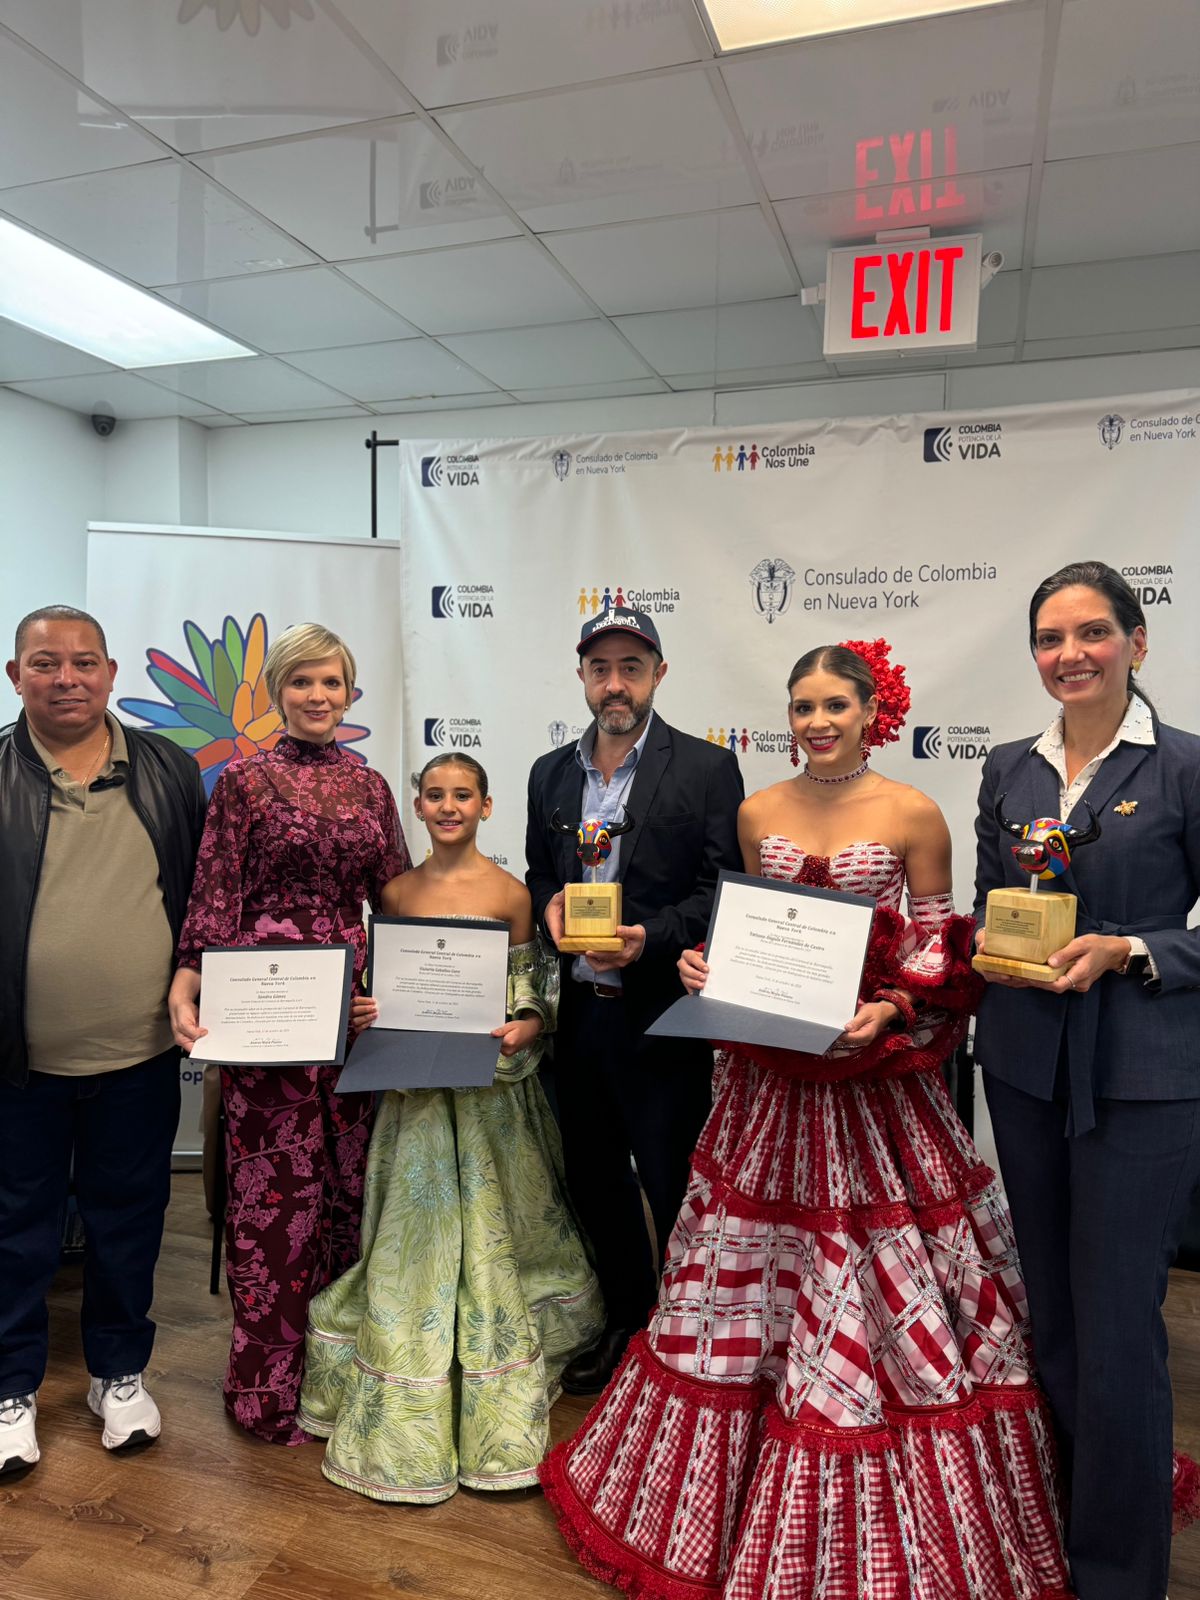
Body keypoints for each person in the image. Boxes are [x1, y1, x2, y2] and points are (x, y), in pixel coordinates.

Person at [542, 640, 1073, 1598]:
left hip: (873, 1078)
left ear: (874, 710)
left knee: (885, 1256)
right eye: (801, 707)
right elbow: (752, 927)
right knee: (747, 1258)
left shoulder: (914, 812)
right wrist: (705, 963)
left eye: (835, 705)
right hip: (770, 1078)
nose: (817, 723)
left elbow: (932, 945)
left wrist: (895, 1008)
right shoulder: (756, 811)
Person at [974, 561, 1200, 1600]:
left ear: (1137, 644)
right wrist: (979, 948)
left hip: (1140, 1076)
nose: (1071, 653)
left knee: (1117, 1324)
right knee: (1053, 1316)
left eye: (1093, 632)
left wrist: (1134, 949)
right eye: (1050, 637)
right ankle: (1058, 1521)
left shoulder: (1187, 768)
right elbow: (991, 903)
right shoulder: (1010, 770)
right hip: (1023, 1068)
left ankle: (1116, 1574)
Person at [298, 754, 603, 1501]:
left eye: (461, 794)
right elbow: (389, 982)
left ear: (486, 804)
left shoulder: (509, 893)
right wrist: (368, 1005)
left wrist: (528, 1022)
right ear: (418, 804)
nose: (446, 806)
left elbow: (535, 982)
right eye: (433, 795)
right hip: (416, 1090)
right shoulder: (396, 890)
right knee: (417, 1224)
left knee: (500, 1224)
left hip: (491, 1092)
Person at [168, 622, 408, 1446]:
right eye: (301, 682)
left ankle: (337, 1381)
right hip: (263, 1015)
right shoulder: (242, 780)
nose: (317, 696)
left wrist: (408, 981)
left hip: (352, 1018)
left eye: (331, 682)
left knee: (348, 1198)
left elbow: (397, 899)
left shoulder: (372, 788)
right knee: (275, 1207)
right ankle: (264, 1392)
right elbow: (214, 892)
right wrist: (189, 977)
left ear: (350, 692)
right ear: (277, 693)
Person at [0, 605, 206, 1474]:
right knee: (17, 1227)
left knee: (132, 1219)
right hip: (19, 1060)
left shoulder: (167, 768)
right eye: (45, 663)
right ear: (16, 677)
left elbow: (203, 898)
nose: (67, 677)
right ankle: (10, 1388)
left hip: (140, 1054)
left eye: (84, 661)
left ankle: (117, 1375)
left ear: (112, 672)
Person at [526, 607, 743, 1394]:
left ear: (658, 672)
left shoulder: (707, 769)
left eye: (630, 667)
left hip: (662, 1020)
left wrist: (648, 938)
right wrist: (550, 908)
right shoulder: (550, 773)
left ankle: (681, 1336)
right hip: (581, 1019)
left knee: (672, 1178)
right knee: (595, 1180)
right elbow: (540, 873)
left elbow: (720, 893)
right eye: (599, 668)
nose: (614, 683)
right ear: (582, 677)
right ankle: (625, 1319)